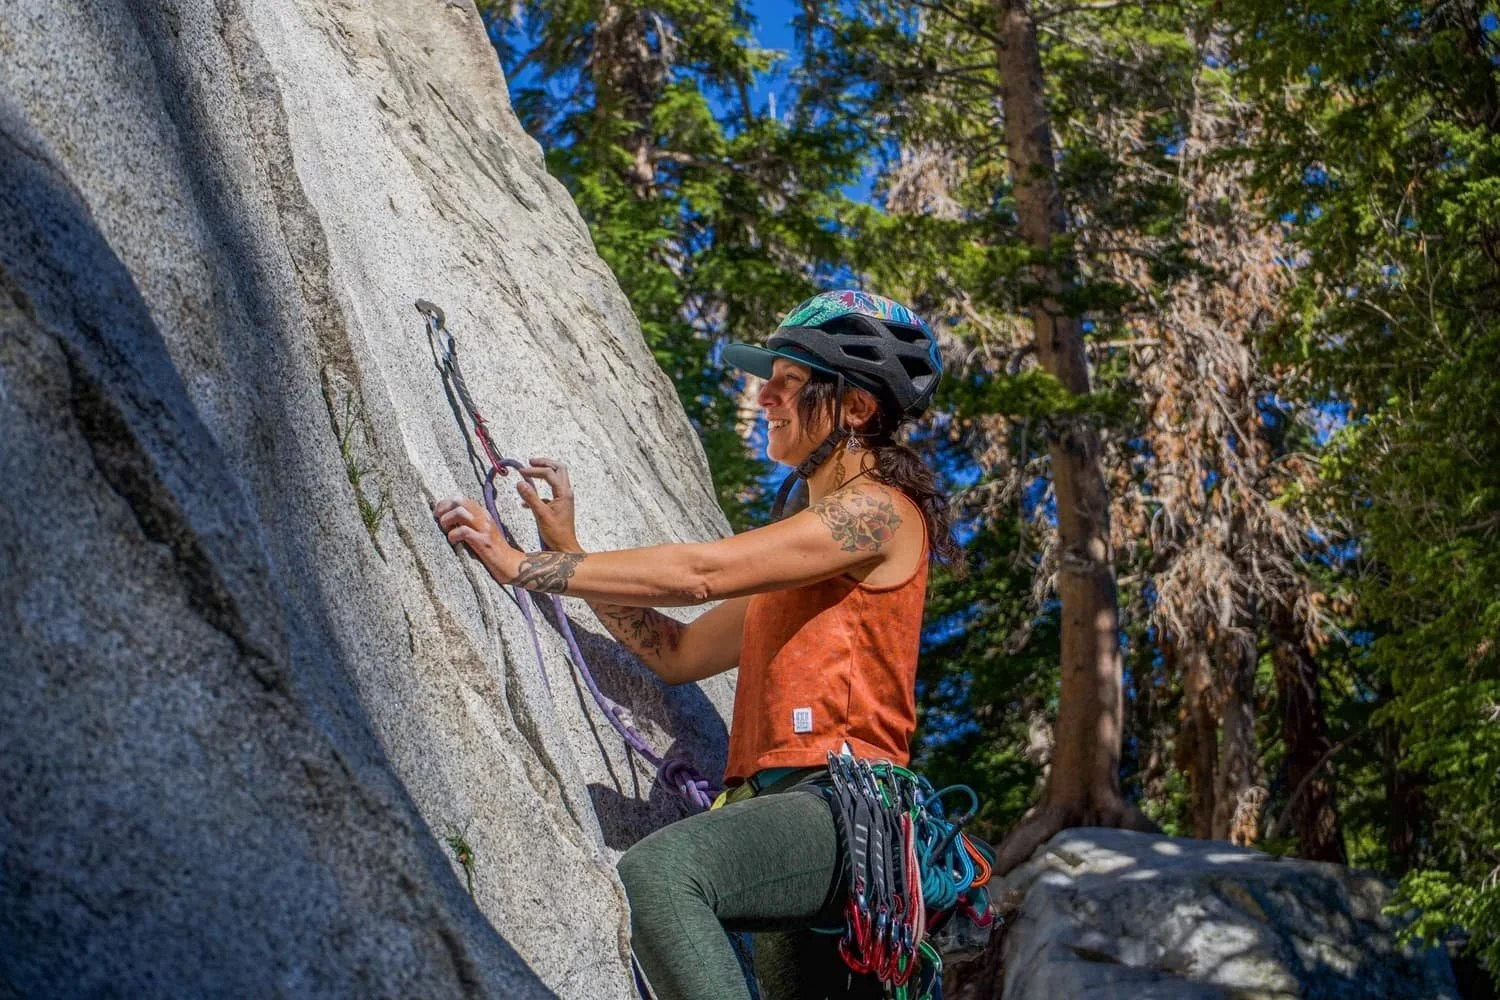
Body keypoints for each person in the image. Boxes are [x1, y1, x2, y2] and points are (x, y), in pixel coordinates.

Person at [433, 290, 961, 999]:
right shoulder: (809, 561)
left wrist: (525, 566)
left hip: (838, 808)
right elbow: (676, 653)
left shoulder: (879, 514)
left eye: (789, 382)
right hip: (790, 819)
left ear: (858, 408)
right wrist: (573, 554)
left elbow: (699, 574)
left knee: (659, 879)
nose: (765, 394)